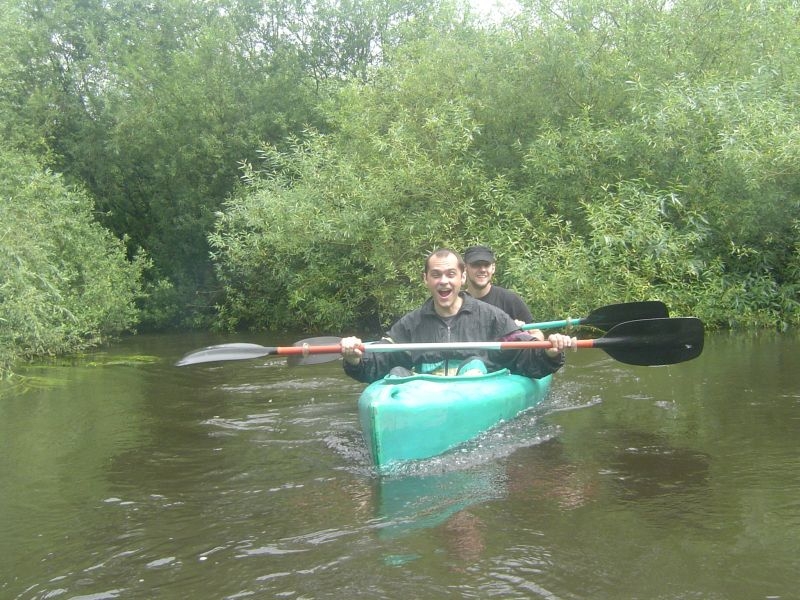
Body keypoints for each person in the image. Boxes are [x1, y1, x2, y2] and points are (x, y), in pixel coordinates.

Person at [340, 248, 576, 383]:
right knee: (396, 373)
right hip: (426, 398)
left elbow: (525, 358)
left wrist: (549, 352)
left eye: (451, 274)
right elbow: (380, 361)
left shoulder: (493, 317)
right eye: (436, 274)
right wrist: (355, 358)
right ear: (426, 280)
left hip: (473, 391)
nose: (444, 280)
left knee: (474, 365)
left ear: (462, 278)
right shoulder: (410, 324)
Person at [463, 245, 533, 326]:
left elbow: (536, 333)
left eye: (486, 265)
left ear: (493, 268)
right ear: (464, 268)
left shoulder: (509, 300)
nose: (482, 269)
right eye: (476, 265)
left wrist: (519, 333)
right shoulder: (456, 302)